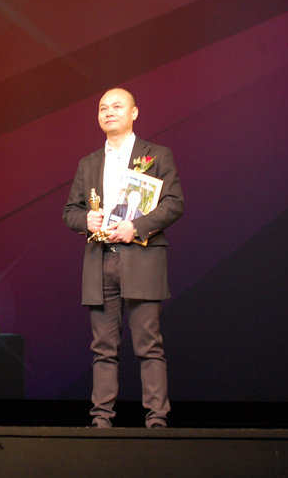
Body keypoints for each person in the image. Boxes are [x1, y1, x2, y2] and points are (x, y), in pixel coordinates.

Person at [63, 88, 183, 428]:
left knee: (148, 343)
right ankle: (101, 418)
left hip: (142, 256)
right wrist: (85, 220)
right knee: (103, 347)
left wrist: (136, 227)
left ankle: (156, 418)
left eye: (117, 106)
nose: (109, 112)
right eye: (103, 108)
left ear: (134, 113)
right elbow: (71, 211)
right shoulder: (89, 163)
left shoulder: (156, 155)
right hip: (100, 259)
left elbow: (174, 203)